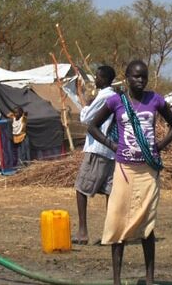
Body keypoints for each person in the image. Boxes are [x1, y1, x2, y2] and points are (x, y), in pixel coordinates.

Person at [87, 59, 172, 285]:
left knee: (147, 224)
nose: (141, 80)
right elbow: (92, 126)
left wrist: (159, 146)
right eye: (136, 76)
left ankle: (149, 279)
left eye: (144, 76)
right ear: (126, 77)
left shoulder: (155, 100)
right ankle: (117, 280)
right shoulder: (116, 101)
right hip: (124, 169)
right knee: (118, 221)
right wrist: (112, 145)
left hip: (148, 171)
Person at [74, 65, 117, 245]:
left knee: (81, 188)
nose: (96, 80)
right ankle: (110, 233)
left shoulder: (105, 96)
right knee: (109, 192)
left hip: (97, 149)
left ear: (105, 79)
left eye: (98, 77)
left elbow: (86, 119)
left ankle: (83, 232)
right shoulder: (114, 96)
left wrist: (84, 103)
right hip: (110, 151)